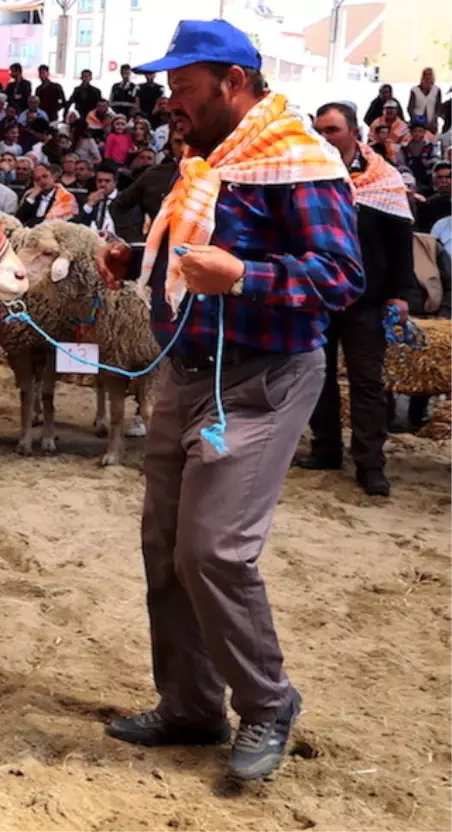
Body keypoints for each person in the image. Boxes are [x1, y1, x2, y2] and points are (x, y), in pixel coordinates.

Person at [97, 20, 364, 782]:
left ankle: (269, 701)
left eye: (182, 87)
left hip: (265, 378)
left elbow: (341, 276)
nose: (168, 101)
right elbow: (188, 247)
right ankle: (189, 705)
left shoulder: (300, 161)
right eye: (169, 88)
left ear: (233, 83)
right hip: (189, 369)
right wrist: (139, 261)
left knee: (213, 548)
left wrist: (245, 276)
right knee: (165, 547)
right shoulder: (207, 160)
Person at [301, 102, 416, 496]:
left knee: (367, 382)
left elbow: (401, 242)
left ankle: (370, 464)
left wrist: (401, 294)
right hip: (319, 293)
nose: (324, 138)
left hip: (368, 297)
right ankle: (326, 449)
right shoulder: (309, 175)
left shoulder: (384, 181)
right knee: (319, 376)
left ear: (355, 132)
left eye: (332, 130)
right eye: (318, 130)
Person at [15, 162, 77, 227]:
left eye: (45, 176)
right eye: (37, 179)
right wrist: (32, 196)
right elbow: (18, 219)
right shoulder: (31, 196)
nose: (42, 181)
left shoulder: (66, 197)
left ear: (53, 177)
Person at [417, 161, 452, 231]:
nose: (444, 180)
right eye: (440, 177)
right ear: (433, 178)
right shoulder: (425, 199)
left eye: (448, 177)